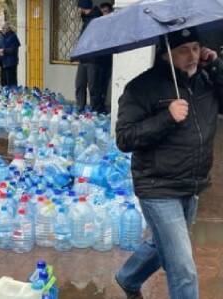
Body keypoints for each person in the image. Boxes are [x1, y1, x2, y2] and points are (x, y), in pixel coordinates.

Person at [115, 27, 223, 299]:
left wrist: (218, 66)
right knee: (183, 267)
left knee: (160, 245)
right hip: (157, 186)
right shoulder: (142, 87)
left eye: (196, 48)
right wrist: (166, 117)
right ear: (166, 55)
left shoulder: (207, 81)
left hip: (192, 184)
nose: (193, 56)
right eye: (183, 50)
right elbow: (125, 138)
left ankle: (128, 277)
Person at [75, 0, 111, 114]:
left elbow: (94, 39)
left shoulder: (96, 19)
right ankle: (80, 108)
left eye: (79, 7)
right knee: (79, 84)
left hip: (94, 59)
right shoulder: (86, 19)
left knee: (93, 87)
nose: (78, 10)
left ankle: (96, 111)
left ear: (83, 6)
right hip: (84, 58)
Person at [0, 23, 21, 87]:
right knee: (3, 82)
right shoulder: (1, 36)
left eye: (4, 28)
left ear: (9, 29)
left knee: (11, 82)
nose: (3, 30)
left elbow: (13, 50)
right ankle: (4, 94)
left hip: (11, 63)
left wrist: (3, 51)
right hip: (3, 62)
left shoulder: (13, 37)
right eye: (2, 28)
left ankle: (13, 95)